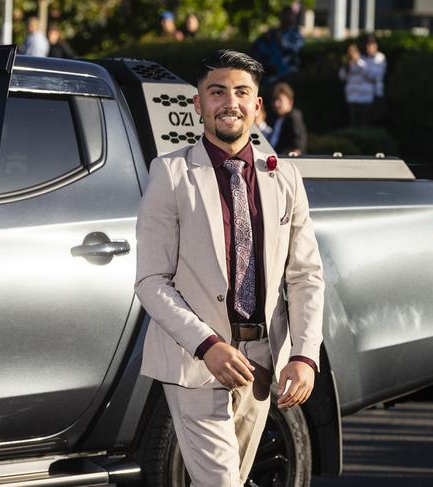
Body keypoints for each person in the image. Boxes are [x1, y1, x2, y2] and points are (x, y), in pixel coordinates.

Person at [135, 49, 324, 486]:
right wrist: (207, 345)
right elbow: (150, 281)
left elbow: (305, 276)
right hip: (196, 362)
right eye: (216, 91)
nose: (230, 102)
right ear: (198, 104)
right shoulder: (170, 174)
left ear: (258, 105)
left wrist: (304, 355)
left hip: (261, 363)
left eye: (242, 92)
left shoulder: (286, 178)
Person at [251, 6, 305, 91]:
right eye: (284, 15)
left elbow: (295, 50)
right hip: (270, 74)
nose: (286, 18)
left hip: (287, 74)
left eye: (289, 15)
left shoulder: (296, 34)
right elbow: (257, 51)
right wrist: (265, 39)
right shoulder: (273, 33)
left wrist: (281, 42)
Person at [338, 43, 374, 127]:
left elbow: (369, 75)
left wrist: (358, 63)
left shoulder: (363, 63)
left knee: (364, 121)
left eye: (353, 52)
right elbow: (342, 77)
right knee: (353, 121)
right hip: (352, 97)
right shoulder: (347, 65)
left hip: (365, 97)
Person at [269, 82, 308, 155]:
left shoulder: (293, 117)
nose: (276, 104)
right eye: (275, 100)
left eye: (280, 100)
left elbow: (299, 143)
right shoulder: (277, 119)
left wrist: (294, 154)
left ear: (290, 102)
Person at [363, 34, 387, 123]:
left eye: (371, 45)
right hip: (364, 94)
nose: (369, 48)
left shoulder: (380, 57)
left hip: (377, 92)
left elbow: (375, 75)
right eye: (368, 45)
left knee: (377, 118)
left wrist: (364, 72)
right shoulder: (363, 58)